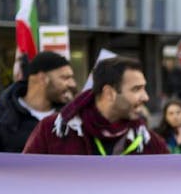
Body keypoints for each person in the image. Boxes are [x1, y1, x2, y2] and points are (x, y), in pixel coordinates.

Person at [23, 56, 168, 155]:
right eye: (136, 89)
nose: (146, 97)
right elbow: (26, 180)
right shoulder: (53, 132)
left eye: (144, 88)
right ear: (109, 93)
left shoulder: (149, 142)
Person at [0, 51, 77, 153]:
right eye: (65, 78)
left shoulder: (73, 121)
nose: (72, 84)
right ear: (42, 78)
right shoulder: (0, 121)